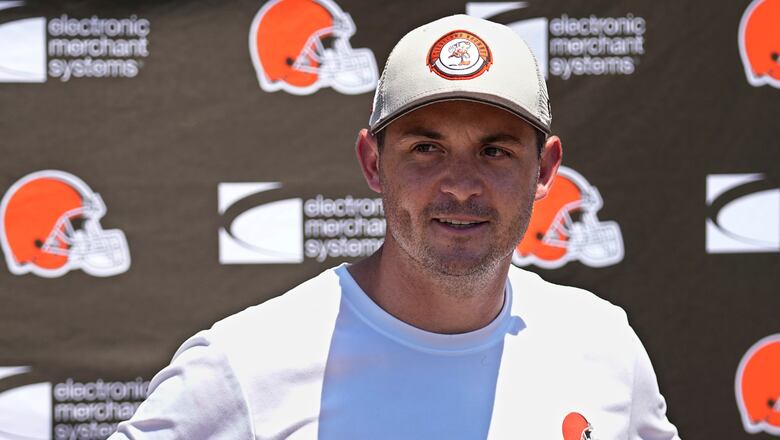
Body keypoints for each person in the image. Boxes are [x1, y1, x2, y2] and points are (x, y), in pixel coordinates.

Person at [112, 14, 680, 439]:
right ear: (374, 163)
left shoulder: (603, 344)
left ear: (546, 169)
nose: (460, 184)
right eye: (427, 148)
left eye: (495, 151)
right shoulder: (248, 364)